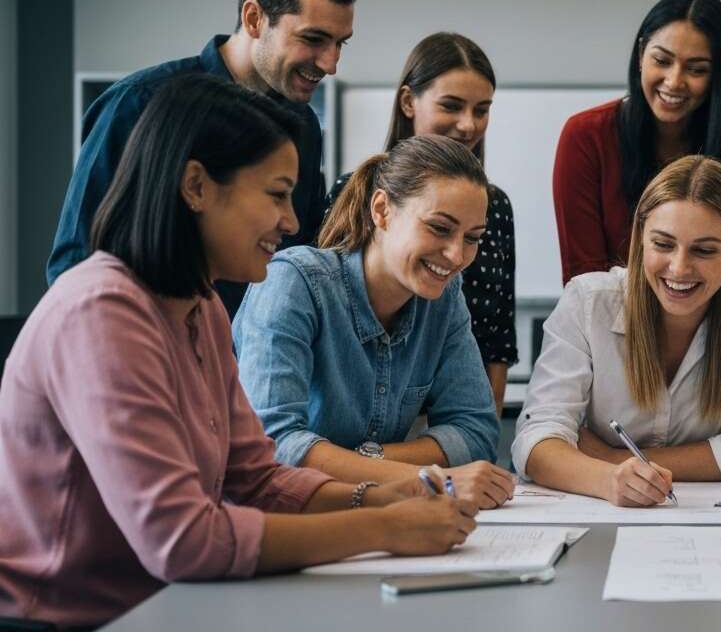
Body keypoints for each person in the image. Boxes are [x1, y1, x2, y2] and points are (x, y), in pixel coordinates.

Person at [0, 75, 476, 629]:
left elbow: (257, 480)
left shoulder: (199, 310)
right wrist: (385, 529)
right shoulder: (101, 312)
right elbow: (183, 541)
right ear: (196, 186)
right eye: (276, 194)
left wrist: (386, 500)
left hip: (172, 605)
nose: (293, 222)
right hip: (74, 619)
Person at [48, 0, 361, 319]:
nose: (330, 64)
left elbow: (297, 257)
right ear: (254, 19)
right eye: (313, 39)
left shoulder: (303, 126)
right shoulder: (139, 103)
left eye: (340, 44)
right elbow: (76, 262)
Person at [234, 135, 511, 510]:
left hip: (375, 515)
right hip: (283, 516)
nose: (457, 255)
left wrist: (368, 458)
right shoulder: (294, 283)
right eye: (440, 228)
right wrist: (428, 479)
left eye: (472, 238)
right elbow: (273, 443)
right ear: (381, 210)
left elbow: (476, 431)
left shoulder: (444, 298)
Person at [515, 155, 721, 506]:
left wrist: (613, 458)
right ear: (640, 237)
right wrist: (608, 480)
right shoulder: (588, 301)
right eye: (663, 244)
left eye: (704, 250)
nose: (679, 268)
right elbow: (535, 439)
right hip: (601, 511)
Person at [326, 32, 517, 414]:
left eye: (482, 110)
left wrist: (484, 420)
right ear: (409, 102)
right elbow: (330, 307)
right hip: (368, 406)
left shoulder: (493, 206)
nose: (468, 125)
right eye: (451, 106)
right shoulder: (356, 190)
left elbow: (498, 334)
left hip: (456, 406)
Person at [552, 0, 721, 284]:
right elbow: (584, 280)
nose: (674, 81)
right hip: (609, 322)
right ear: (641, 55)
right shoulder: (586, 136)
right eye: (662, 60)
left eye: (696, 69)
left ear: (718, 76)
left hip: (711, 323)